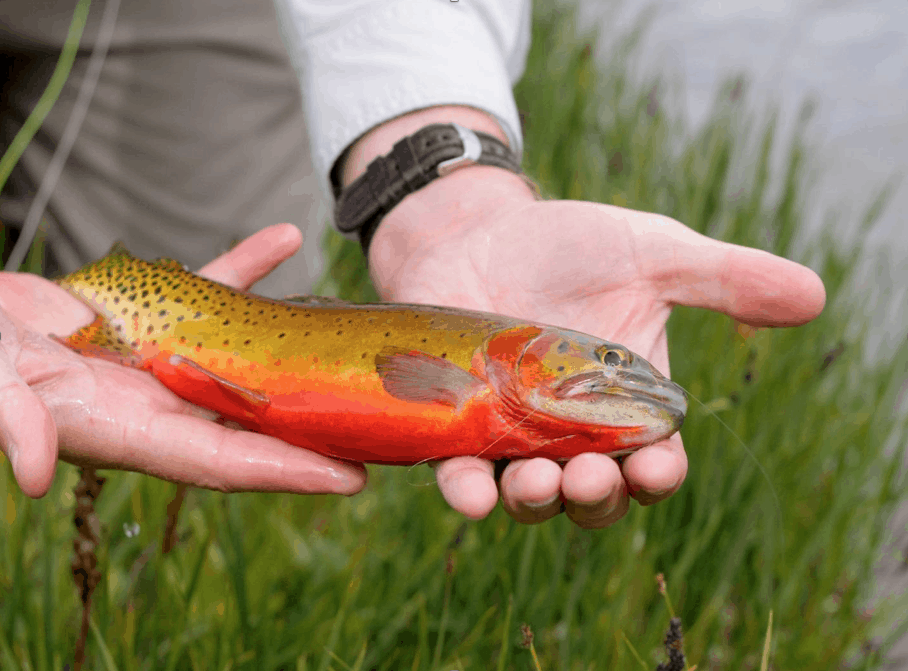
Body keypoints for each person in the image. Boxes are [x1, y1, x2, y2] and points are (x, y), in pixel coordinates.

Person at [0, 0, 825, 528]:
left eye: (606, 361)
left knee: (103, 359)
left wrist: (437, 178)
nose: (614, 370)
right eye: (604, 361)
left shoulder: (493, 372)